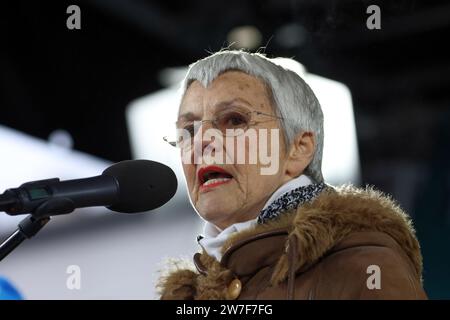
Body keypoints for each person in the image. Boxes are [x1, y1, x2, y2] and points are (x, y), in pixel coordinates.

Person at [158, 50, 427, 299]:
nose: (202, 141)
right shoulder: (191, 296)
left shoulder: (364, 264)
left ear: (299, 149)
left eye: (235, 120)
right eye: (189, 130)